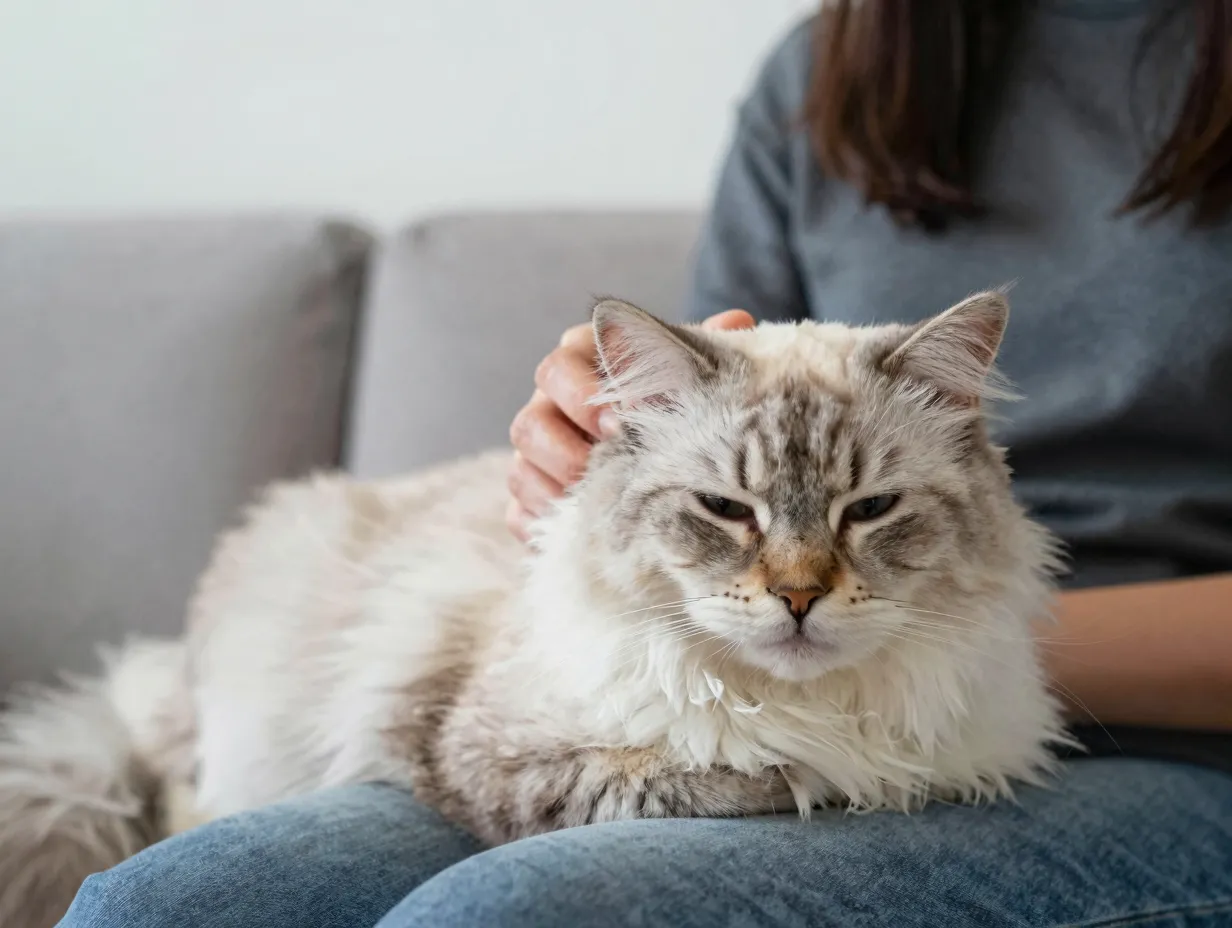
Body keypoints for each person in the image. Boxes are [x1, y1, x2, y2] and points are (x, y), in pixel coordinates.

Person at [62, 2, 1232, 926]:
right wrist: (590, 442)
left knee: (512, 913)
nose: (794, 573)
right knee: (164, 903)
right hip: (798, 690)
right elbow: (737, 399)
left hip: (1128, 739)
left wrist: (953, 653)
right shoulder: (837, 65)